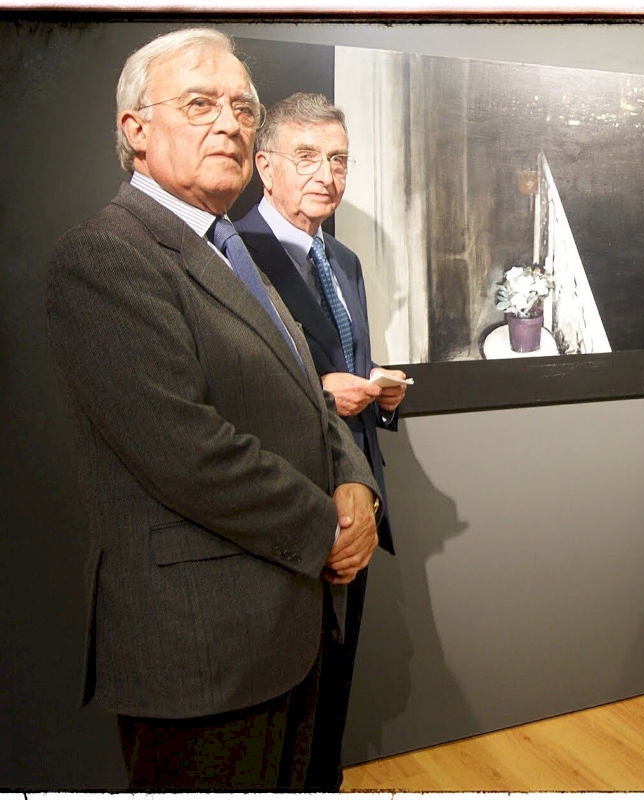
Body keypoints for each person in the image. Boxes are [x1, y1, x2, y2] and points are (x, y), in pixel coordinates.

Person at [43, 29, 382, 790]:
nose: (230, 124)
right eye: (201, 104)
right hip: (204, 647)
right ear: (135, 129)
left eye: (243, 108)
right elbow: (185, 448)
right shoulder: (105, 255)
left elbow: (308, 389)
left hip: (289, 623)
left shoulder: (230, 249)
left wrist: (356, 481)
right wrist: (328, 526)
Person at [235, 92, 407, 791]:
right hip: (290, 507)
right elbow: (237, 392)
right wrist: (319, 394)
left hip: (360, 500)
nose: (325, 175)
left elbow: (345, 365)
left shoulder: (345, 261)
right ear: (264, 165)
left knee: (333, 700)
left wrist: (380, 393)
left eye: (338, 159)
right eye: (306, 156)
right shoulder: (230, 254)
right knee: (282, 716)